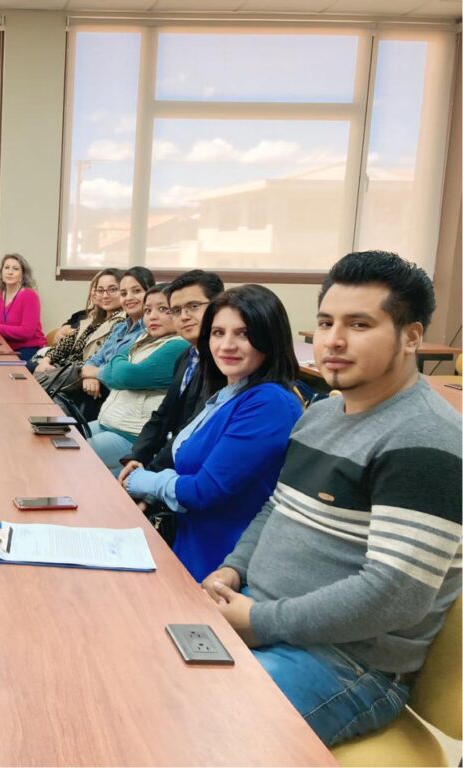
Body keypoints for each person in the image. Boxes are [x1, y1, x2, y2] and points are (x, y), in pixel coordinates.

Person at [201, 251, 461, 747]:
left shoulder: (425, 439)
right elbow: (277, 508)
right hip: (264, 615)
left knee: (193, 731)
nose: (333, 340)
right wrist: (233, 569)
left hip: (346, 662)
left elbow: (393, 595)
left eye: (359, 324)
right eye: (325, 322)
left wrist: (259, 622)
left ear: (411, 337)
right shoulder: (320, 414)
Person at [122, 284, 302, 581]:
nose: (226, 345)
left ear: (269, 338)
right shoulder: (230, 390)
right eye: (218, 333)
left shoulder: (269, 403)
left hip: (220, 564)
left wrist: (142, 481)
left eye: (243, 334)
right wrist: (151, 491)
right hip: (186, 543)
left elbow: (204, 491)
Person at [118, 270, 225, 477]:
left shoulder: (223, 364)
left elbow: (194, 428)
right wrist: (136, 457)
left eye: (193, 306)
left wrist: (150, 473)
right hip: (169, 461)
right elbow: (162, 415)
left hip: (193, 470)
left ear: (218, 307)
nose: (184, 316)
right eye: (176, 310)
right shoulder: (187, 356)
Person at [86, 284, 188, 475]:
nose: (152, 316)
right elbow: (116, 361)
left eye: (163, 309)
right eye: (147, 310)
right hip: (107, 422)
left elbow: (126, 376)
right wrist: (117, 368)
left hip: (131, 435)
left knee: (73, 454)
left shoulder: (178, 346)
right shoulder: (144, 337)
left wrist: (115, 369)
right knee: (61, 439)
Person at [32, 268, 126, 382]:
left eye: (112, 289)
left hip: (76, 373)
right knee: (27, 369)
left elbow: (101, 358)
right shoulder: (94, 318)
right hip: (64, 368)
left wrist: (85, 374)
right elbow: (66, 344)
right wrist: (46, 361)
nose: (105, 295)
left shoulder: (122, 322)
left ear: (124, 291)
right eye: (100, 290)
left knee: (28, 374)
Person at [79, 266, 155, 401]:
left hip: (119, 397)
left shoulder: (151, 330)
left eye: (136, 291)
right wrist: (89, 376)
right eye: (124, 293)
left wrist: (94, 373)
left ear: (150, 294)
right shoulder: (120, 327)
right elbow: (94, 360)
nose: (129, 298)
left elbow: (123, 374)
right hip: (96, 390)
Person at [0, 253, 46, 362]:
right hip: (5, 346)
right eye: (7, 268)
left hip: (29, 349)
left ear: (23, 275)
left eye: (15, 269)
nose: (10, 272)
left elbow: (27, 332)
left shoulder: (30, 296)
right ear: (1, 273)